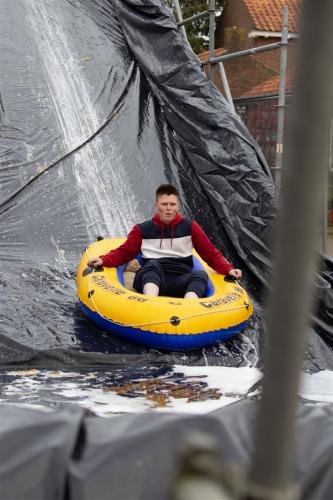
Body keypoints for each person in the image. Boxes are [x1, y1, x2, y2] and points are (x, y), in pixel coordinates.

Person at [88, 184, 242, 299]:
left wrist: (228, 269)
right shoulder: (142, 229)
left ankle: (189, 311)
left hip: (179, 280)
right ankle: (150, 304)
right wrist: (102, 260)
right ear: (157, 206)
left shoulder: (190, 227)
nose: (169, 209)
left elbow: (210, 254)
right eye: (164, 204)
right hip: (151, 277)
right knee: (153, 265)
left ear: (178, 206)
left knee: (200, 275)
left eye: (172, 204)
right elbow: (124, 252)